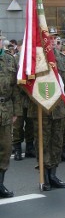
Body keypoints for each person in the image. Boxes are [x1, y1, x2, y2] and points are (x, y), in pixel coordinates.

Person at [26, 27, 65, 190]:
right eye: (49, 38)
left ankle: (53, 174)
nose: (52, 41)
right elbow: (26, 84)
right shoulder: (34, 59)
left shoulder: (63, 59)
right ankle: (44, 176)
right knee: (42, 143)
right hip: (41, 108)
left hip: (59, 108)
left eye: (54, 38)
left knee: (56, 143)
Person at [0, 31, 19, 198]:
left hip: (6, 108)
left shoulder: (9, 59)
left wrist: (16, 111)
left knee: (5, 149)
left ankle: (0, 184)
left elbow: (15, 88)